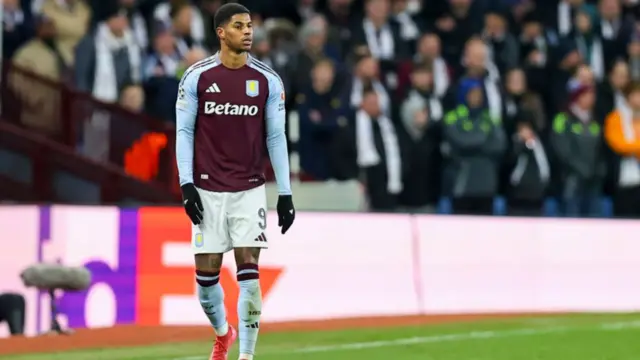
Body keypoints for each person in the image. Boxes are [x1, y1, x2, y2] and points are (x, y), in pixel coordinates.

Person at [174, 4, 295, 360]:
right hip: (207, 189)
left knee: (249, 276)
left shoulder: (267, 81)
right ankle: (222, 332)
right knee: (206, 282)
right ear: (221, 32)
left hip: (249, 189)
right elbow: (184, 131)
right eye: (239, 26)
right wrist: (186, 184)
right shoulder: (197, 76)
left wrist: (285, 193)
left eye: (250, 25)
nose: (248, 32)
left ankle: (247, 356)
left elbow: (276, 138)